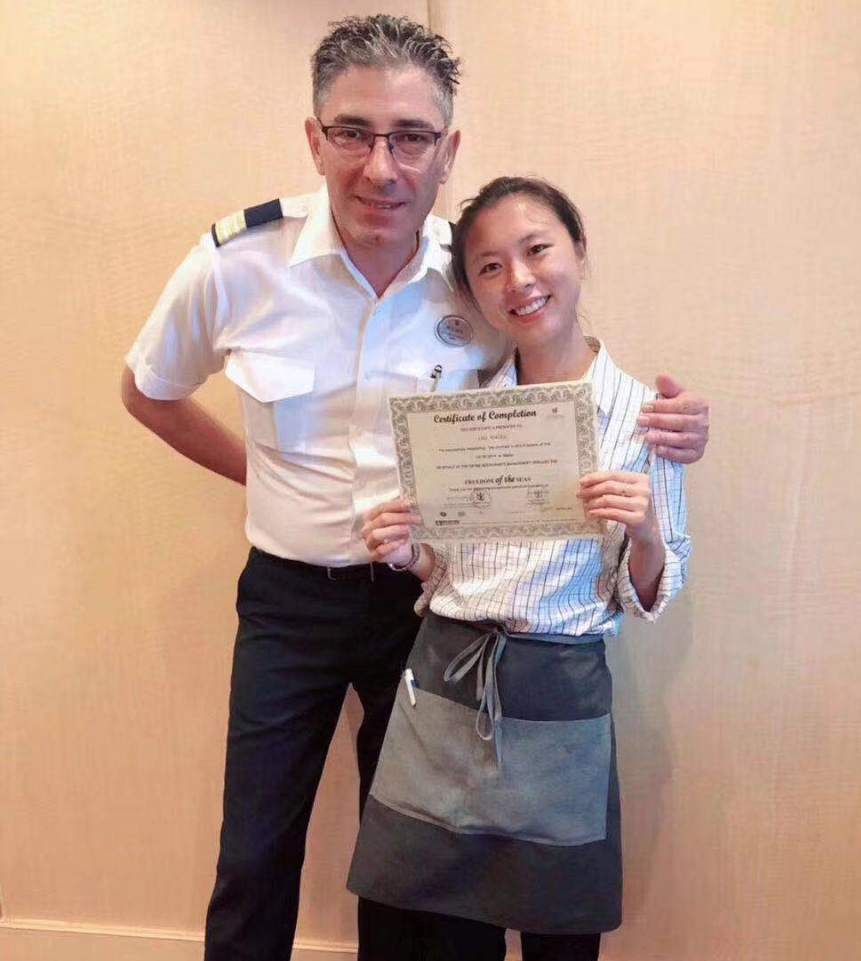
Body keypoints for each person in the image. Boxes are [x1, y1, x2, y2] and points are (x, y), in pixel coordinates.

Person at [120, 15, 709, 961]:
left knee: (415, 876)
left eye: (410, 137)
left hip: (429, 610)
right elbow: (147, 391)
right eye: (353, 133)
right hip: (288, 602)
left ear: (448, 151)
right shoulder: (238, 265)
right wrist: (263, 477)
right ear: (314, 139)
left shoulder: (476, 277)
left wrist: (670, 428)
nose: (380, 166)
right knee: (255, 848)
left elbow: (562, 380)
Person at [348, 176, 691, 961]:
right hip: (446, 681)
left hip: (559, 689)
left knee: (560, 933)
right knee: (446, 931)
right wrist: (407, 551)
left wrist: (643, 531)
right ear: (472, 290)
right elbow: (444, 567)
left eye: (537, 249)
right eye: (490, 267)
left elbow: (652, 593)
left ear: (579, 250)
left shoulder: (647, 419)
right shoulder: (460, 409)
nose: (520, 280)